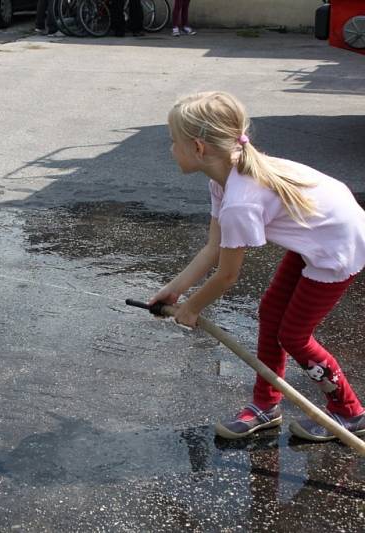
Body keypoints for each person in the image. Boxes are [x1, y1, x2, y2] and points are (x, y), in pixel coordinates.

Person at [150, 91, 365, 442]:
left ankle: (350, 413)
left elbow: (228, 275)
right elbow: (213, 249)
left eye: (174, 142)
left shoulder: (240, 200)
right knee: (270, 313)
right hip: (316, 237)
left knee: (294, 335)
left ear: (199, 148)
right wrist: (175, 289)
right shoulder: (223, 182)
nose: (171, 149)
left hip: (338, 246)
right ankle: (266, 405)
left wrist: (192, 308)